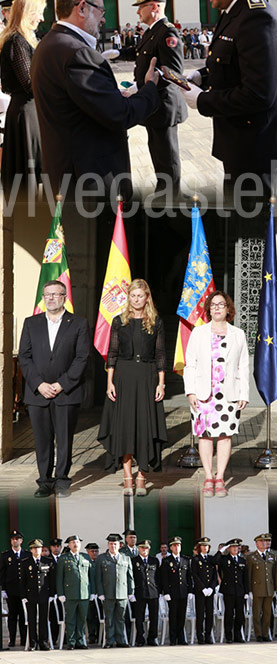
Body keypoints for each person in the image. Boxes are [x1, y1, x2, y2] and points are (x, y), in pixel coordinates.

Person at [31, 0, 160, 197]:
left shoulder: (49, 43)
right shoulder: (78, 53)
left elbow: (77, 102)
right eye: (101, 10)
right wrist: (149, 88)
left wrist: (110, 96)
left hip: (67, 171)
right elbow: (120, 115)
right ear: (82, 8)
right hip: (91, 179)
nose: (103, 19)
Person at [182, 0, 277, 197]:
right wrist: (202, 75)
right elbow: (232, 62)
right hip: (239, 142)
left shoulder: (257, 18)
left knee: (252, 229)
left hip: (255, 146)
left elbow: (258, 93)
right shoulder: (233, 12)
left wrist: (202, 100)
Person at [18, 279, 91, 496]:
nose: (50, 298)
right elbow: (25, 356)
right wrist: (39, 384)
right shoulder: (31, 323)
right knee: (42, 439)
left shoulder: (78, 323)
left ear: (64, 297)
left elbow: (82, 358)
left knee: (64, 439)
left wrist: (61, 384)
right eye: (47, 294)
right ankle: (44, 482)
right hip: (37, 392)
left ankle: (62, 481)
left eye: (55, 294)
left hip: (66, 392)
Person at [98, 278, 168, 496]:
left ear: (147, 297)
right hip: (124, 379)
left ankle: (142, 477)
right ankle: (127, 476)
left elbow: (160, 355)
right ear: (128, 297)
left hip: (147, 379)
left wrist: (161, 383)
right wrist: (110, 382)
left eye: (140, 295)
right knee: (126, 427)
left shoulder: (156, 321)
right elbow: (112, 353)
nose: (136, 299)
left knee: (145, 427)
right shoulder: (119, 321)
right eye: (133, 295)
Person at [116, 0, 187, 199]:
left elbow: (174, 72)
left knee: (167, 154)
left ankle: (173, 195)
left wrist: (142, 85)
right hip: (153, 105)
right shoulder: (151, 31)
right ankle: (163, 189)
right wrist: (118, 53)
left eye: (141, 7)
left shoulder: (168, 32)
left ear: (154, 7)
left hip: (164, 105)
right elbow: (140, 54)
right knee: (156, 150)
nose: (138, 12)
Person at [184, 289, 249, 496]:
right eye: (213, 305)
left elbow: (243, 366)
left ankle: (220, 477)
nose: (217, 308)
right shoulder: (198, 332)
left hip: (228, 393)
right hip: (203, 393)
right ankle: (208, 477)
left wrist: (244, 393)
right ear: (209, 309)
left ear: (228, 308)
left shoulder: (238, 334)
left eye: (221, 304)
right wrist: (190, 392)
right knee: (204, 436)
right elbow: (190, 365)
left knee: (224, 436)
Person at [0, 0, 45, 198]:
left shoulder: (19, 38)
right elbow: (29, 82)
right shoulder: (17, 40)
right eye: (39, 13)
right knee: (29, 175)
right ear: (28, 13)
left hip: (27, 110)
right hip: (26, 113)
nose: (42, 18)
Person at [55, 535, 94, 650]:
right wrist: (61, 593)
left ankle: (81, 641)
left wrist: (93, 592)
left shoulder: (85, 557)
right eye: (72, 542)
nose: (75, 544)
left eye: (77, 542)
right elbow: (59, 578)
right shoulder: (63, 558)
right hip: (70, 594)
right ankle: (71, 642)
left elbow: (91, 576)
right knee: (71, 619)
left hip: (84, 594)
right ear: (69, 545)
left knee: (82, 619)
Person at [95, 535, 133, 648]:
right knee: (109, 618)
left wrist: (131, 591)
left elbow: (130, 576)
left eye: (115, 544)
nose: (113, 546)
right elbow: (98, 577)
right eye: (111, 544)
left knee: (121, 618)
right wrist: (100, 592)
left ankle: (121, 640)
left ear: (119, 545)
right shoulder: (102, 558)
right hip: (108, 593)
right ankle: (110, 641)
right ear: (108, 545)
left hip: (122, 593)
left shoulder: (125, 558)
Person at [21, 538, 55, 651]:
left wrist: (52, 594)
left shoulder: (47, 561)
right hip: (31, 595)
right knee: (31, 619)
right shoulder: (25, 562)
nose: (37, 550)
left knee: (43, 619)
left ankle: (43, 642)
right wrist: (24, 596)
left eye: (39, 548)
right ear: (31, 550)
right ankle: (32, 642)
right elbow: (23, 581)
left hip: (44, 594)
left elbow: (51, 580)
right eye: (34, 548)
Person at [215, 540, 249, 644]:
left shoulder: (242, 560)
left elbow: (245, 577)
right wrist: (222, 550)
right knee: (229, 614)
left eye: (237, 547)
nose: (235, 549)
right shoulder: (224, 559)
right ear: (229, 548)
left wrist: (247, 591)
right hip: (228, 591)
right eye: (233, 547)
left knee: (240, 615)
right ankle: (229, 636)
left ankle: (238, 635)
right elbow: (214, 561)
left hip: (240, 591)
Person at [159, 537, 192, 646]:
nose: (177, 547)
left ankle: (181, 637)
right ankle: (173, 638)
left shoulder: (186, 560)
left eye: (179, 545)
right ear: (171, 548)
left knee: (182, 616)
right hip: (172, 593)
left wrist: (190, 591)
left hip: (183, 592)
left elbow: (188, 577)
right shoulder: (166, 561)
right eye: (175, 545)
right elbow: (164, 578)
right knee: (173, 616)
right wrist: (166, 592)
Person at [0, 532, 30, 648]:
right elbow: (2, 573)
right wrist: (3, 589)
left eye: (17, 539)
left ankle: (23, 639)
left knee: (23, 616)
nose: (15, 541)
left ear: (21, 541)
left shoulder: (26, 554)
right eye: (13, 539)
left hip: (23, 591)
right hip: (11, 591)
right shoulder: (5, 555)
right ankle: (12, 639)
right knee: (12, 616)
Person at [131, 540, 160, 647]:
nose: (144, 550)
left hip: (153, 592)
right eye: (142, 548)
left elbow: (158, 577)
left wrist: (159, 591)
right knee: (140, 617)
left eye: (146, 548)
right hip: (139, 592)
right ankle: (140, 638)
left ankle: (153, 638)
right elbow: (132, 577)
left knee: (154, 617)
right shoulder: (134, 561)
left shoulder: (154, 560)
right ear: (138, 548)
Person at [247, 535, 275, 643]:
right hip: (257, 588)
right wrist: (249, 590)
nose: (264, 543)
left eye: (265, 541)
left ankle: (265, 633)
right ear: (256, 543)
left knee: (267, 613)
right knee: (257, 612)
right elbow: (249, 574)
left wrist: (275, 588)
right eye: (261, 541)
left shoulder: (271, 556)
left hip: (269, 588)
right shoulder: (251, 557)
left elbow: (274, 573)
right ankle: (258, 634)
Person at [190, 538, 218, 645]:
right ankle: (200, 637)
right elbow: (195, 575)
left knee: (210, 614)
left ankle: (208, 636)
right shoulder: (196, 559)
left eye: (207, 546)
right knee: (200, 614)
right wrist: (202, 588)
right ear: (199, 547)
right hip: (200, 591)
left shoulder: (211, 559)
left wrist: (211, 588)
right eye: (203, 545)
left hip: (210, 591)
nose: (205, 547)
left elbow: (214, 575)